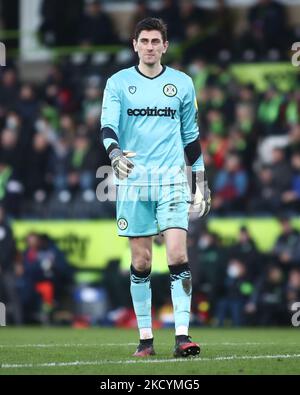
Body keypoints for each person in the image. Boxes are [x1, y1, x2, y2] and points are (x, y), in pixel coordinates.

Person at [100, 18, 211, 358]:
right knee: (142, 261)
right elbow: (108, 126)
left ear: (165, 46)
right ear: (134, 45)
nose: (149, 46)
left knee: (177, 254)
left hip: (171, 181)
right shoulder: (118, 83)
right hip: (133, 182)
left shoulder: (181, 83)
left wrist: (200, 180)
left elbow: (191, 137)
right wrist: (114, 154)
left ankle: (182, 337)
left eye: (155, 41)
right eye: (144, 41)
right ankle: (146, 339)